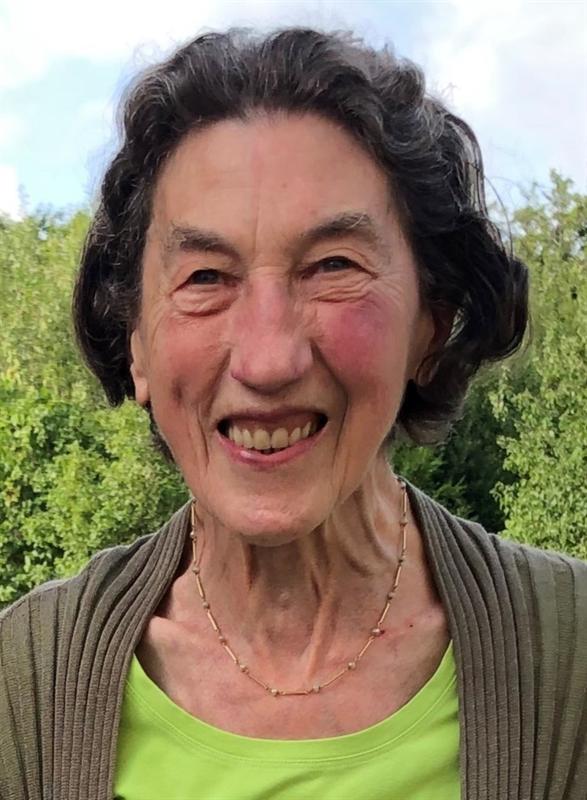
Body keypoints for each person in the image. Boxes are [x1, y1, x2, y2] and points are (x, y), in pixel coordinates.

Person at [1, 27, 585, 800]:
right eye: (205, 277)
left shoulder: (571, 663)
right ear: (136, 345)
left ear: (429, 325)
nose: (268, 358)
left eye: (332, 266)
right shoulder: (22, 687)